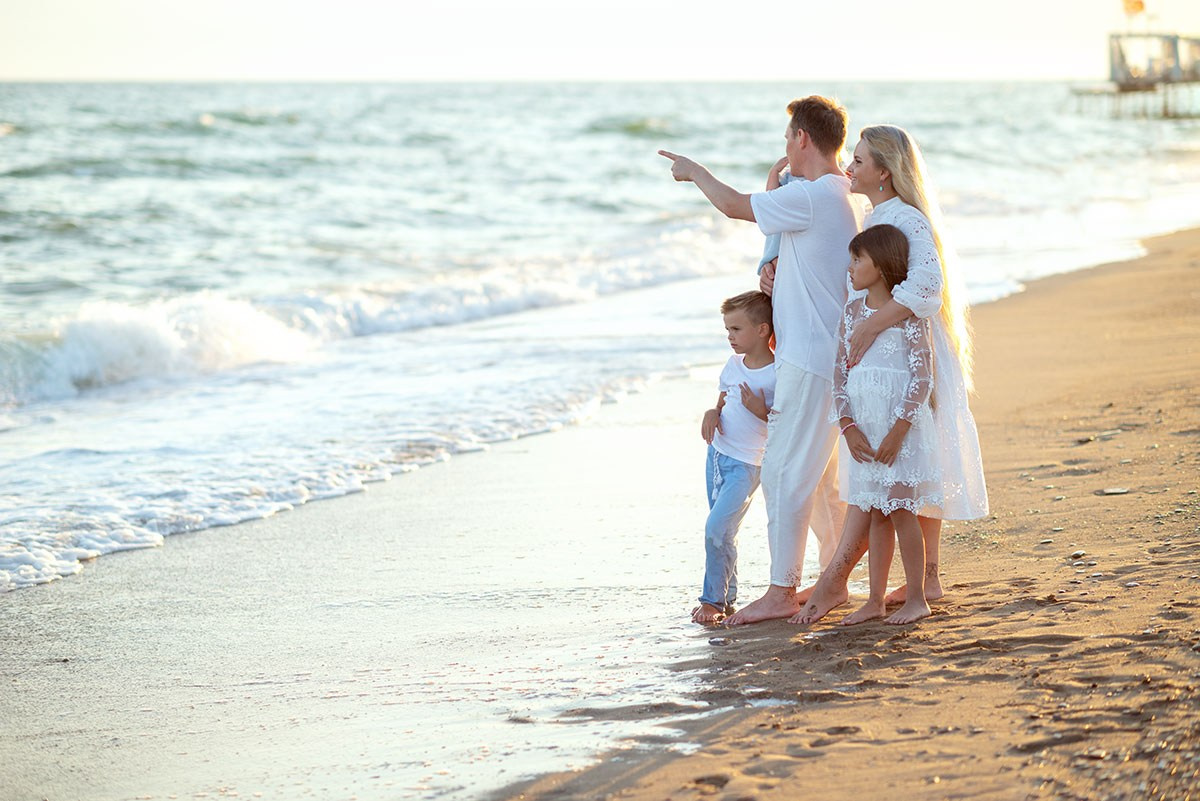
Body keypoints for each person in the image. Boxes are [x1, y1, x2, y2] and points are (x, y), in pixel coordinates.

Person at [660, 95, 861, 625]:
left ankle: (782, 591)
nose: (784, 148)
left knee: (784, 472)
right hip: (822, 353)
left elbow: (732, 205)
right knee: (817, 477)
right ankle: (832, 579)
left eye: (786, 138)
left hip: (809, 357)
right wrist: (774, 269)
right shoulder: (836, 194)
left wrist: (693, 171)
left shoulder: (816, 195)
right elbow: (794, 253)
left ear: (801, 139)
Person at [795, 124, 989, 625]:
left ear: (883, 172)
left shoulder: (905, 217)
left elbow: (926, 287)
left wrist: (871, 326)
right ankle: (920, 579)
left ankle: (926, 579)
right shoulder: (879, 214)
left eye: (857, 161)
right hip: (881, 354)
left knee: (916, 467)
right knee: (905, 475)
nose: (848, 167)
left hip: (906, 351)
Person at [834, 225, 941, 625]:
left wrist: (899, 430)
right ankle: (875, 599)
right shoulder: (852, 312)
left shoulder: (908, 313)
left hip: (901, 430)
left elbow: (922, 376)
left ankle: (917, 597)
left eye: (857, 259)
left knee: (901, 509)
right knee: (878, 511)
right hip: (866, 427)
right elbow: (838, 375)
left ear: (878, 266)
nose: (850, 267)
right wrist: (848, 425)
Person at [693, 291, 776, 625]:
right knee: (722, 531)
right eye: (727, 329)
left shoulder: (776, 373)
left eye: (736, 329)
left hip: (747, 463)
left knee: (716, 528)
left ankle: (711, 600)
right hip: (717, 455)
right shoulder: (733, 364)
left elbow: (786, 421)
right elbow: (724, 398)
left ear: (761, 330)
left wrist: (762, 411)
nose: (730, 336)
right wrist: (712, 412)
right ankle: (726, 598)